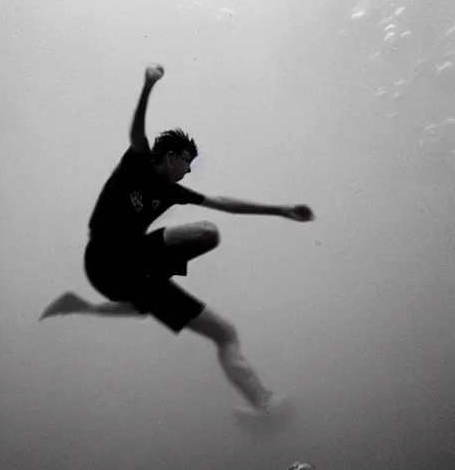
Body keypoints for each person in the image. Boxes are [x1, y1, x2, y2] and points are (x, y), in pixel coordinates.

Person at [39, 64, 315, 415]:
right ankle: (129, 296)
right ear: (169, 156)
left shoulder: (174, 191)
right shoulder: (138, 162)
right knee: (207, 233)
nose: (188, 171)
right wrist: (148, 85)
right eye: (187, 162)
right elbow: (137, 130)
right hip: (104, 257)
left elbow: (225, 204)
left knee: (224, 332)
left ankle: (263, 403)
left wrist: (281, 209)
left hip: (129, 277)